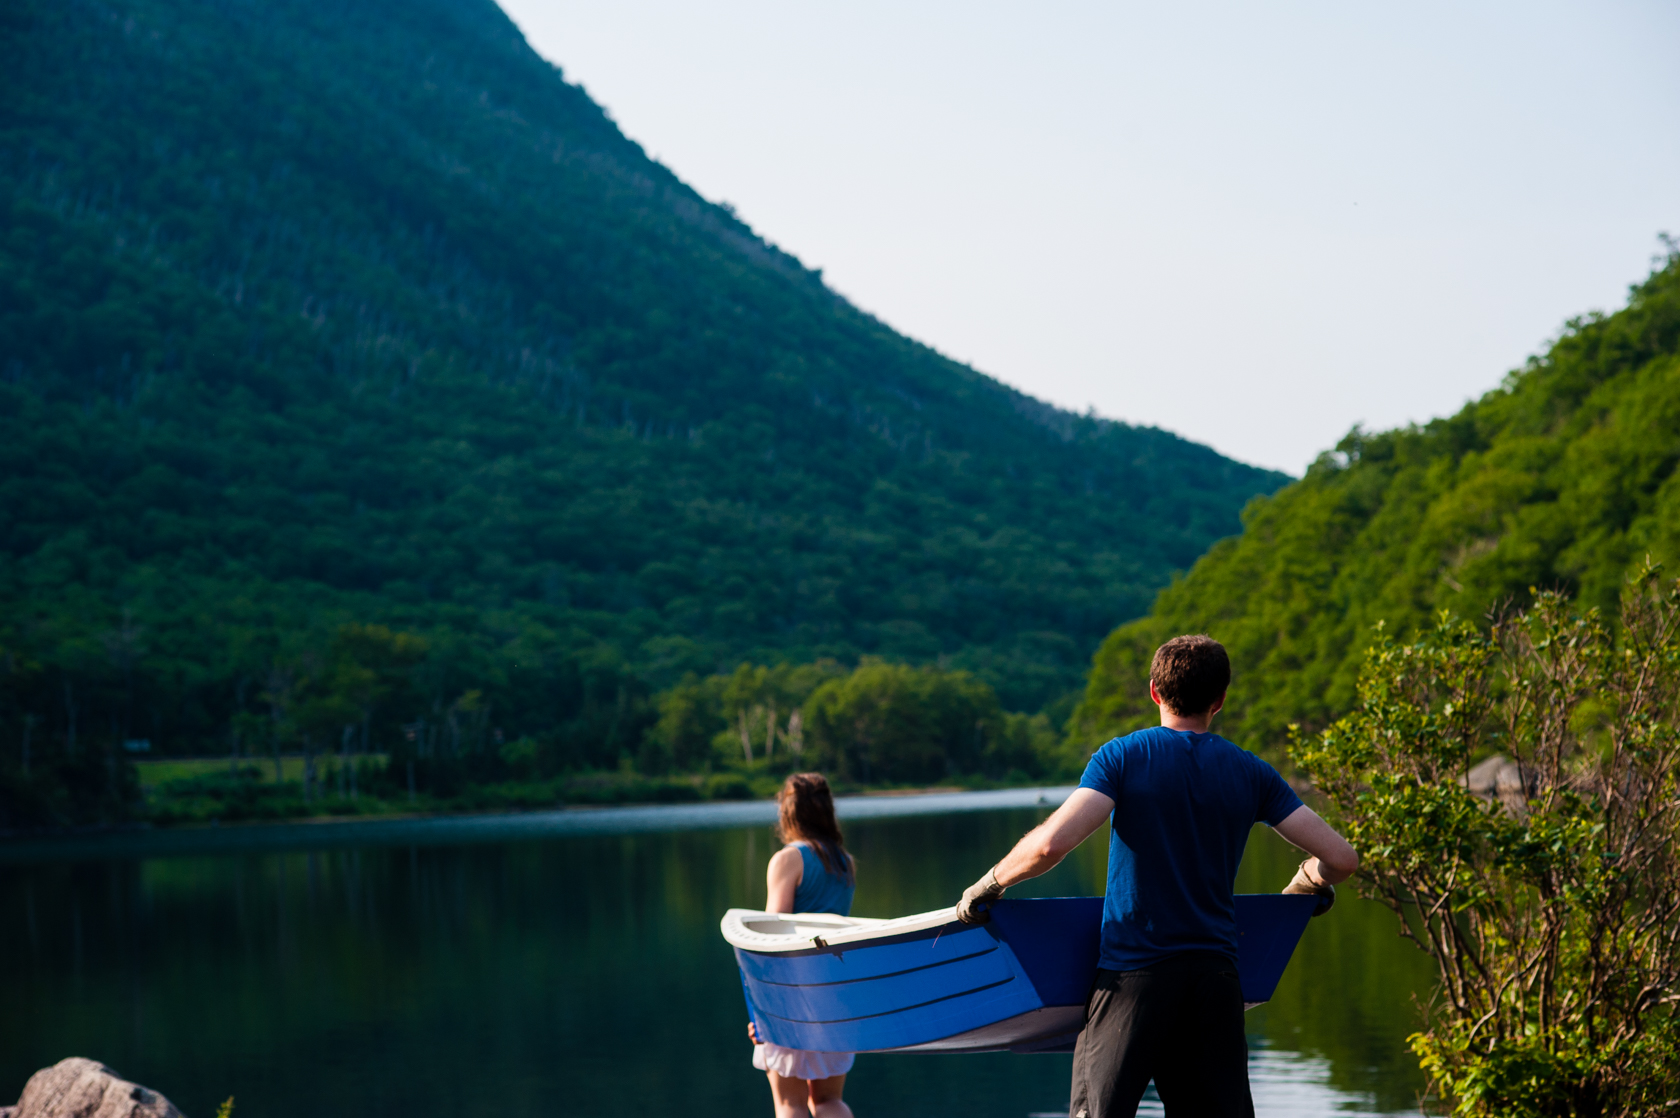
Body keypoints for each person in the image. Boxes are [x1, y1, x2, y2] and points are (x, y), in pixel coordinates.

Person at [955, 634, 1357, 1118]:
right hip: (1215, 981)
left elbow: (1048, 845)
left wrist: (989, 885)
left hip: (1133, 977)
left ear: (1154, 692)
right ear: (1220, 700)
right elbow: (1342, 859)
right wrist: (1309, 880)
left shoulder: (1123, 758)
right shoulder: (1251, 772)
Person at [748, 772, 859, 1118]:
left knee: (790, 1102)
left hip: (792, 997)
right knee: (828, 1101)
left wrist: (762, 1008)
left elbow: (770, 937)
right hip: (837, 996)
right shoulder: (845, 862)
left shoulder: (787, 860)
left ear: (788, 813)